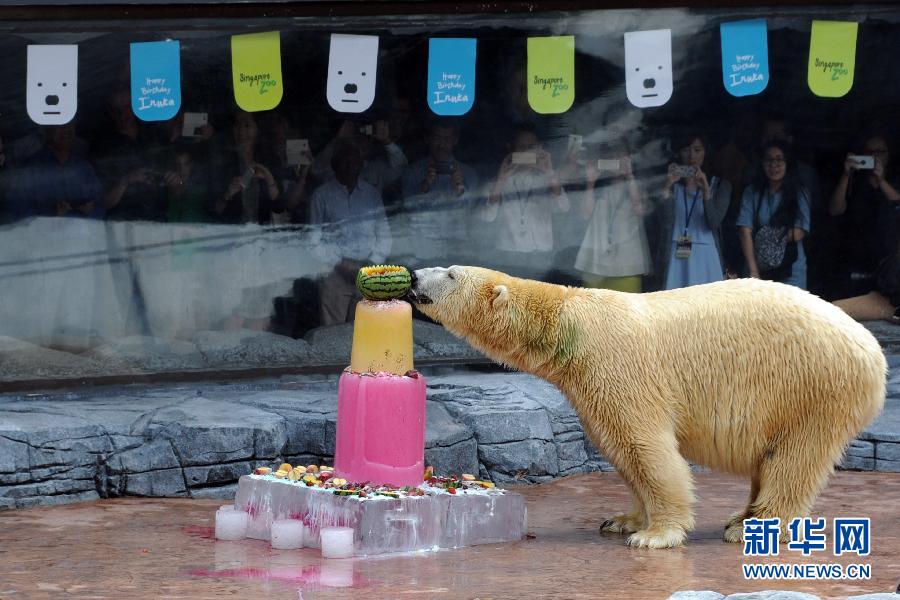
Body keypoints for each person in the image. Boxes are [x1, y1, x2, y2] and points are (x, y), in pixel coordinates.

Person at [309, 140, 392, 326]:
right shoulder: (321, 195)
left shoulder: (372, 194)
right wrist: (339, 263)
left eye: (355, 162)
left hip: (368, 272)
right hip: (334, 274)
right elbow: (313, 240)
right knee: (332, 334)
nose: (350, 166)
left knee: (365, 332)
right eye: (344, 161)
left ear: (361, 164)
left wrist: (372, 263)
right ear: (334, 164)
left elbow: (385, 235)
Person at [479, 123, 569, 280]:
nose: (527, 151)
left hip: (541, 253)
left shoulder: (546, 180)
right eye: (522, 147)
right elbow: (487, 217)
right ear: (511, 149)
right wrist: (501, 179)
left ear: (539, 149)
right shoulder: (496, 182)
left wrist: (549, 171)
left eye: (532, 147)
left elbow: (563, 207)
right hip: (509, 254)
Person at [656, 133, 731, 290]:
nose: (691, 156)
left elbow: (714, 222)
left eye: (697, 150)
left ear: (706, 153)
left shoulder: (719, 185)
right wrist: (667, 186)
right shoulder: (673, 184)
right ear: (679, 153)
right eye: (686, 150)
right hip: (677, 251)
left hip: (706, 253)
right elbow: (665, 222)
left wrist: (706, 193)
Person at [828, 133, 900, 297]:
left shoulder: (895, 179)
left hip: (888, 263)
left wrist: (881, 180)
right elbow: (835, 210)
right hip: (855, 259)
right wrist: (846, 174)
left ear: (888, 155)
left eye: (880, 152)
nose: (874, 156)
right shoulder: (855, 181)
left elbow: (897, 203)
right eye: (869, 152)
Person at [573, 139, 651, 292]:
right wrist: (590, 183)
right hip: (595, 261)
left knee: (626, 311)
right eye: (612, 157)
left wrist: (629, 176)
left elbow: (640, 209)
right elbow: (584, 214)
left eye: (621, 157)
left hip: (627, 262)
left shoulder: (637, 185)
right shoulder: (598, 186)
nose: (616, 161)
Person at [736, 140, 812, 288]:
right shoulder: (751, 192)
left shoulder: (800, 193)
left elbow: (798, 233)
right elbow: (744, 230)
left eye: (779, 159)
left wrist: (762, 236)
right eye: (768, 160)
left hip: (791, 271)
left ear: (787, 163)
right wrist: (753, 271)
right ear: (761, 164)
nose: (773, 165)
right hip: (757, 267)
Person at [8, 123, 103, 220]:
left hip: (85, 232)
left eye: (70, 124)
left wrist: (91, 211)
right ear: (46, 130)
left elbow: (101, 207)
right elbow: (16, 210)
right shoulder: (32, 168)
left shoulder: (84, 167)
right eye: (59, 125)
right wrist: (50, 213)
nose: (66, 129)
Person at [213, 111, 283, 224]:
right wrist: (227, 194)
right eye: (237, 125)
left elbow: (280, 208)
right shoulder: (224, 162)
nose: (241, 131)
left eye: (247, 125)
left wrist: (269, 179)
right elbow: (214, 213)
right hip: (233, 235)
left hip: (264, 236)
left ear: (257, 129)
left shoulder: (270, 160)